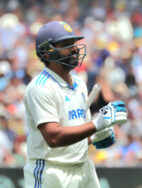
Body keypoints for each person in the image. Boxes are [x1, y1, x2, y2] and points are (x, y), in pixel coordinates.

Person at [23, 21, 127, 188]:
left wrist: (95, 137)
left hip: (84, 168)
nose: (73, 49)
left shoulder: (79, 84)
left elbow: (76, 128)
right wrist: (97, 124)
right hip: (52, 173)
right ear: (47, 53)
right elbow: (53, 137)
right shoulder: (40, 88)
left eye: (73, 43)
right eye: (65, 44)